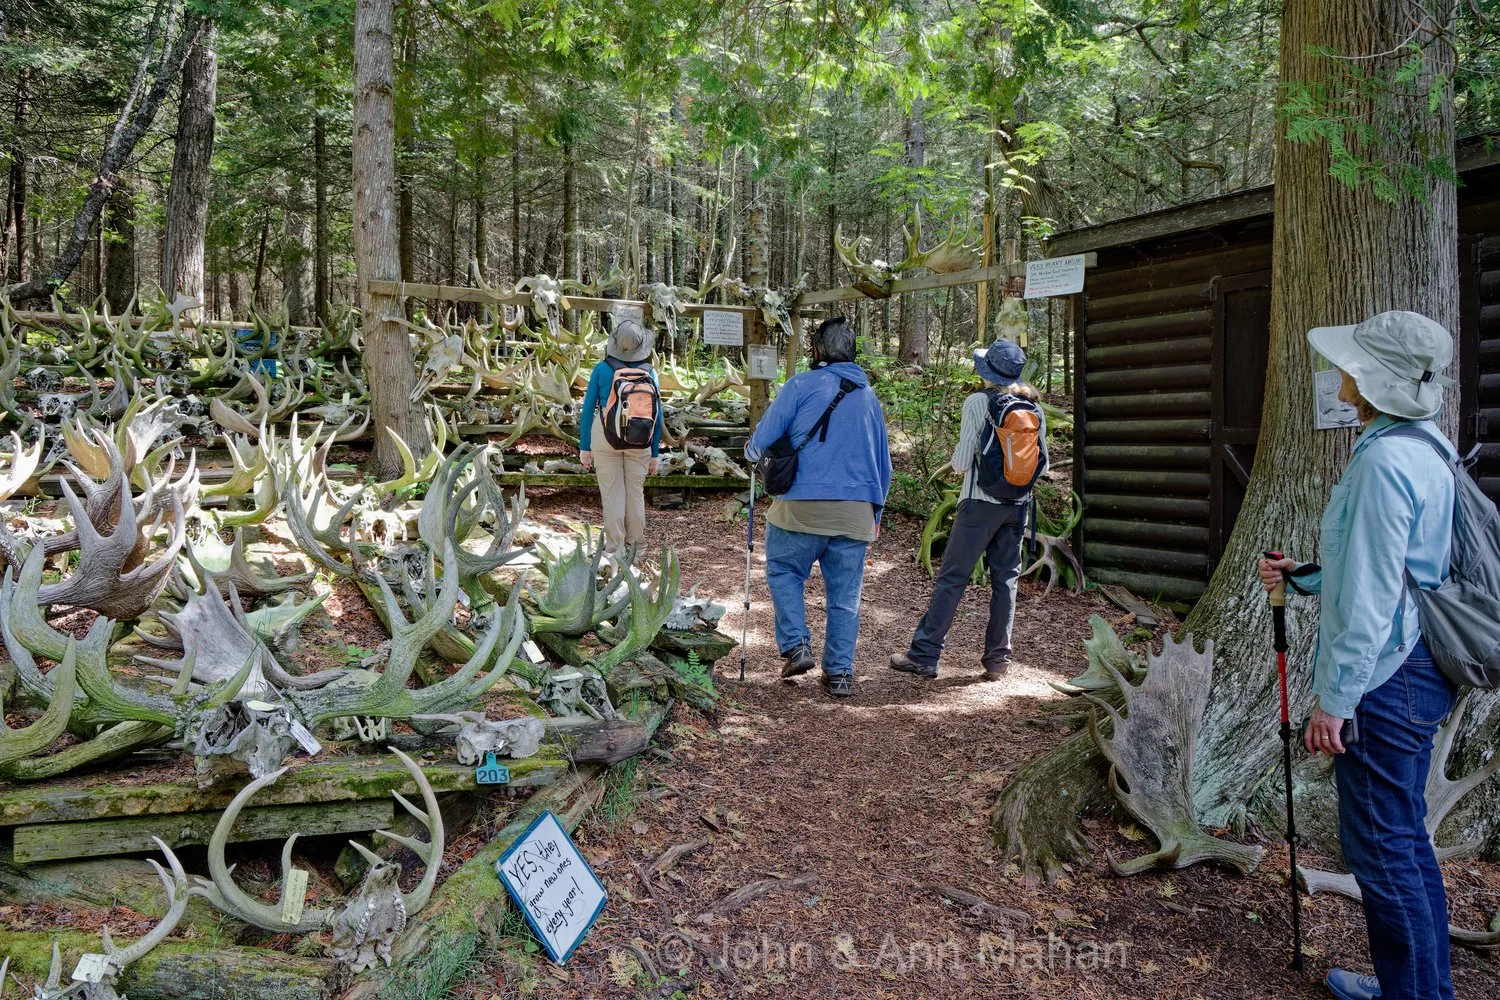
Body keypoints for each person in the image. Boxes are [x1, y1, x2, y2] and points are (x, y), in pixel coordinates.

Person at [1257, 310, 1458, 1000]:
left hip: (1388, 678)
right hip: (1418, 663)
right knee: (1402, 843)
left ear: (1370, 380)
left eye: (1350, 364)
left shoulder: (1385, 461)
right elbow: (1396, 568)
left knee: (1384, 850)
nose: (1339, 373)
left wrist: (1334, 703)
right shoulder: (1425, 445)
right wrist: (1307, 576)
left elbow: (1374, 598)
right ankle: (1420, 989)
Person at [743, 316, 891, 698]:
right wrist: (876, 514)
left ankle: (796, 645)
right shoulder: (869, 397)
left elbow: (760, 441)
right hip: (856, 510)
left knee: (784, 572)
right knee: (845, 597)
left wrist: (752, 454)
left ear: (818, 351)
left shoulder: (800, 385)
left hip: (799, 508)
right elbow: (883, 463)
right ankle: (840, 673)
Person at [888, 338, 1045, 681]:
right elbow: (1042, 467)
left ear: (986, 371)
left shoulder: (978, 402)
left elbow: (960, 464)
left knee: (952, 579)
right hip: (1017, 509)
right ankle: (998, 662)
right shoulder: (1034, 407)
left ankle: (924, 655)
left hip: (978, 506)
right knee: (1006, 581)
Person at [578, 319, 663, 559]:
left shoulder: (602, 369)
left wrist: (585, 448)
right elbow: (659, 414)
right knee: (635, 493)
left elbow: (587, 411)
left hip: (605, 437)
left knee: (612, 493)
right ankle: (637, 551)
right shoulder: (650, 372)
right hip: (641, 440)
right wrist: (654, 452)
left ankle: (615, 550)